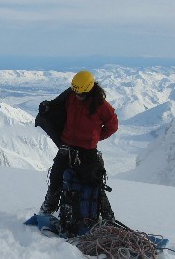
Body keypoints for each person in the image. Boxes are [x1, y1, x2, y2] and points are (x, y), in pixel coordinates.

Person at [35, 70, 118, 217]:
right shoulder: (70, 96)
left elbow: (112, 126)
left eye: (81, 94)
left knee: (94, 183)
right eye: (76, 93)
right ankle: (48, 208)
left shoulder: (101, 105)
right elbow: (55, 105)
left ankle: (107, 216)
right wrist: (46, 107)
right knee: (56, 178)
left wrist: (95, 137)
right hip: (67, 146)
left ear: (89, 90)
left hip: (88, 151)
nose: (78, 96)